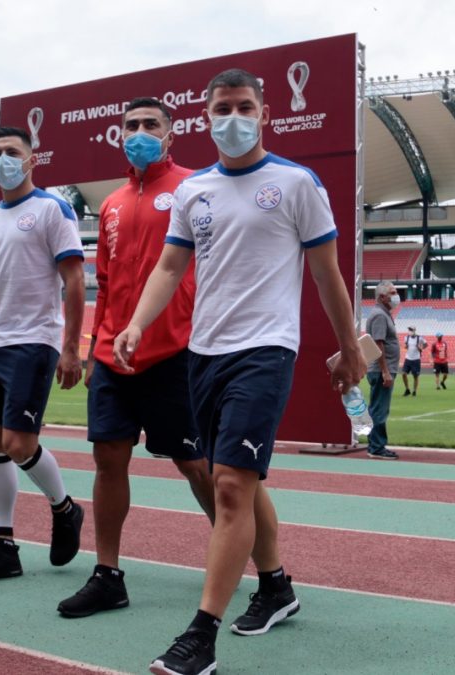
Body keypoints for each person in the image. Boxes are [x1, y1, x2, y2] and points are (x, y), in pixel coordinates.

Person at [111, 68, 366, 675]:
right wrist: (137, 324)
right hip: (204, 355)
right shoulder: (195, 191)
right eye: (222, 107)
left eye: (243, 106)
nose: (233, 117)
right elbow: (170, 269)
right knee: (242, 480)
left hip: (266, 349)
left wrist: (351, 347)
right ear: (205, 117)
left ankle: (201, 638)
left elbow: (327, 273)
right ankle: (275, 585)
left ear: (264, 112)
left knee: (228, 486)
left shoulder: (296, 183)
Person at [57, 97, 218, 619]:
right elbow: (103, 286)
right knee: (108, 462)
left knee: (195, 465)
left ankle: (243, 556)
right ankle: (107, 575)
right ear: (119, 135)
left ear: (171, 136)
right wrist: (91, 346)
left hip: (173, 352)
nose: (140, 132)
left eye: (151, 125)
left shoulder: (195, 187)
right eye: (132, 125)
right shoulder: (110, 205)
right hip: (111, 356)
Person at [0, 125, 86, 585]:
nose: (3, 159)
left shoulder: (51, 209)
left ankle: (65, 510)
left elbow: (75, 281)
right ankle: (3, 545)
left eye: (12, 152)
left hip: (32, 342)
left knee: (18, 444)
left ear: (31, 159)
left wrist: (70, 348)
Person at [366, 281, 400, 460]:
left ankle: (375, 444)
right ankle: (377, 447)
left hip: (382, 369)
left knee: (378, 407)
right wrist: (385, 371)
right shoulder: (380, 315)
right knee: (380, 409)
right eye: (392, 293)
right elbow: (378, 344)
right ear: (381, 297)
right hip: (381, 370)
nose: (396, 296)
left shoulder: (383, 314)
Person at [401, 326, 424, 396]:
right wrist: (405, 347)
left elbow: (425, 345)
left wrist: (420, 348)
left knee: (415, 376)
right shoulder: (406, 338)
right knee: (403, 374)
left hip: (416, 359)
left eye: (411, 330)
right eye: (409, 330)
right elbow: (405, 346)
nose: (409, 331)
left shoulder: (419, 338)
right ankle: (407, 389)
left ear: (414, 331)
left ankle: (414, 390)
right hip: (408, 358)